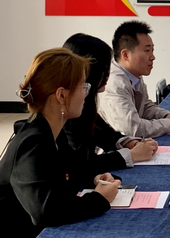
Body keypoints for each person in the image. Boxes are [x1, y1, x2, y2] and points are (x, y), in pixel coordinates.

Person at [0, 48, 120, 238]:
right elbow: (46, 211)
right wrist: (99, 198)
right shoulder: (33, 143)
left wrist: (95, 178)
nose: (86, 94)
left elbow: (72, 169)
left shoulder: (51, 130)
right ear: (61, 95)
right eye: (83, 87)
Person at [63, 33, 158, 172]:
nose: (108, 73)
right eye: (104, 67)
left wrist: (129, 142)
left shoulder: (86, 99)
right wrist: (131, 155)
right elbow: (81, 164)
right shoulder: (68, 109)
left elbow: (101, 132)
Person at [98, 21, 170, 138]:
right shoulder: (115, 84)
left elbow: (144, 106)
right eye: (147, 51)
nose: (152, 57)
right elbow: (131, 129)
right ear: (125, 55)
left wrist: (165, 116)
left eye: (152, 50)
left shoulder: (133, 74)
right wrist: (169, 123)